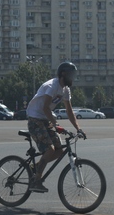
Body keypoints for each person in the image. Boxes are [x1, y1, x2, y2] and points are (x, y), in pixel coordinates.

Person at [25, 62, 86, 193]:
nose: (73, 78)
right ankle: (36, 180)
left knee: (59, 150)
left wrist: (78, 129)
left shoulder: (65, 90)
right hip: (35, 118)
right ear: (63, 74)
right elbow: (45, 107)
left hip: (45, 118)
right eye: (71, 75)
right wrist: (56, 124)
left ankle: (34, 167)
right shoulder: (52, 86)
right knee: (49, 149)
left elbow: (69, 112)